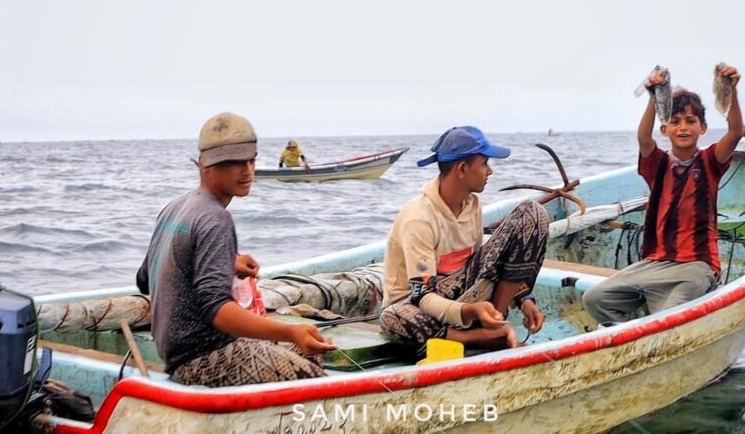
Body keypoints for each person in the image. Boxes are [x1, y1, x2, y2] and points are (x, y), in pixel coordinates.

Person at [136, 112, 335, 387]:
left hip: (174, 353)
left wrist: (225, 263)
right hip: (204, 357)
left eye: (250, 159)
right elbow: (216, 309)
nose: (246, 170)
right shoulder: (215, 218)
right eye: (232, 162)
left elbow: (145, 277)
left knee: (307, 350)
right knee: (314, 380)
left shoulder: (174, 208)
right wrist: (291, 332)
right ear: (205, 164)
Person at [582, 65, 744, 325]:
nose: (682, 128)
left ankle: (659, 320)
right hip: (655, 263)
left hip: (697, 265)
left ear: (702, 128)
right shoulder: (656, 164)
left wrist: (732, 91)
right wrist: (652, 97)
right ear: (665, 130)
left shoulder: (710, 161)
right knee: (594, 298)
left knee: (669, 316)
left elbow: (735, 132)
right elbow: (643, 138)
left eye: (690, 121)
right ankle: (629, 332)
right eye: (675, 122)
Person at [379, 126, 550, 354]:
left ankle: (495, 322)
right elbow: (422, 296)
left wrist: (524, 299)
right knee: (393, 318)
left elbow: (483, 266)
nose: (490, 171)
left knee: (533, 213)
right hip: (420, 303)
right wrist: (470, 311)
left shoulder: (472, 205)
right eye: (484, 164)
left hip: (464, 295)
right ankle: (475, 337)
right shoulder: (419, 218)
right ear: (462, 168)